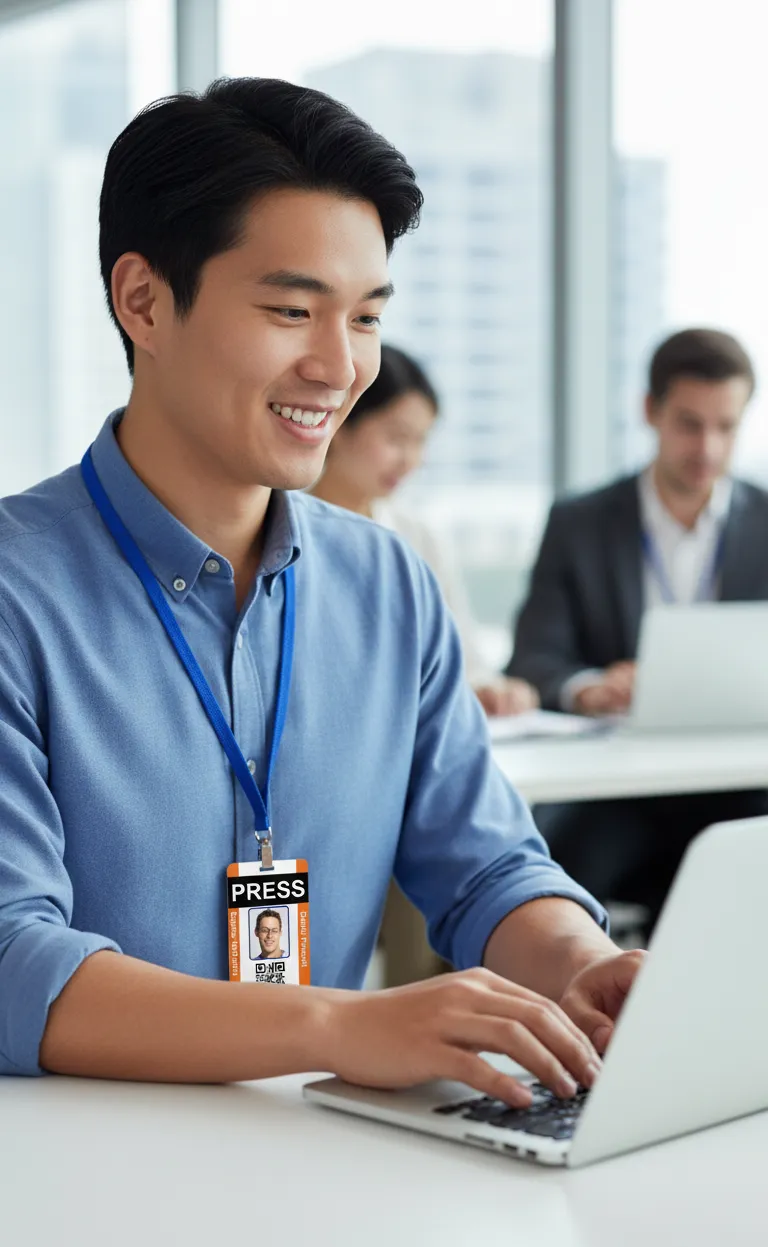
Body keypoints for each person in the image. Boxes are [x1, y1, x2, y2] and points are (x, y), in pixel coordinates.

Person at [0, 77, 643, 1107]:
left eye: (367, 317)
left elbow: (484, 867)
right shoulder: (17, 591)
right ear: (144, 300)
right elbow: (10, 961)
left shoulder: (390, 584)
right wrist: (338, 1023)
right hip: (68, 1194)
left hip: (322, 1179)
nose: (339, 367)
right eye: (292, 310)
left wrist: (578, 965)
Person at [507, 327, 768, 933]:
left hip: (737, 780)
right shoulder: (581, 522)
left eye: (726, 427)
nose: (708, 447)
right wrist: (589, 685)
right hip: (617, 789)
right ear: (650, 412)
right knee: (550, 879)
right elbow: (536, 656)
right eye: (689, 424)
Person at [312, 343, 539, 716]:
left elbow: (466, 662)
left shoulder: (416, 536)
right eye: (396, 439)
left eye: (420, 441)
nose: (410, 460)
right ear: (339, 423)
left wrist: (496, 691)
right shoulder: (280, 527)